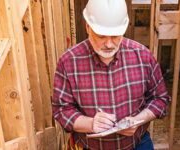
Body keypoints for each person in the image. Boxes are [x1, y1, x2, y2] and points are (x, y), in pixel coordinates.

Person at [52, 0, 171, 149]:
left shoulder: (143, 56)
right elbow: (61, 109)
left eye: (115, 36)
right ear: (88, 27)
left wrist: (138, 120)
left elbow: (160, 99)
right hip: (89, 146)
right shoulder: (69, 62)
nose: (109, 44)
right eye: (101, 36)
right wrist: (90, 124)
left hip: (137, 144)